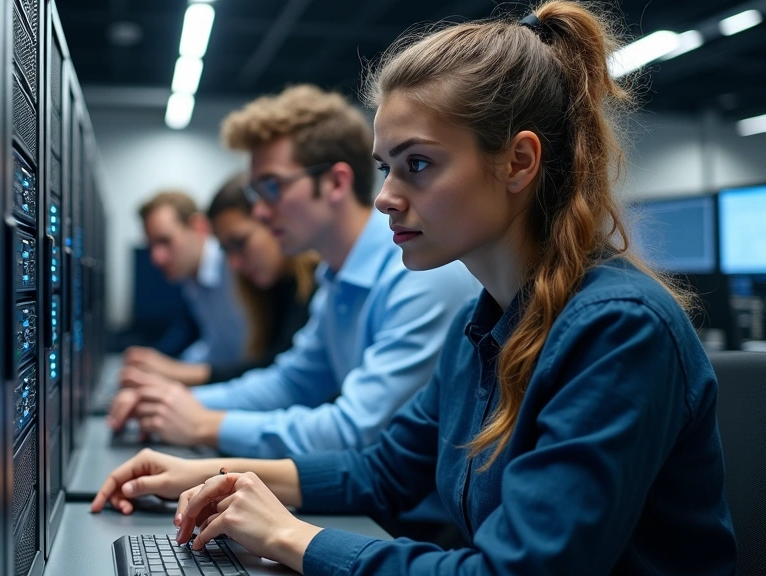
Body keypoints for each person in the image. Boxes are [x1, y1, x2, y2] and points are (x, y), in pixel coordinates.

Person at [91, 3, 737, 574]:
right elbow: (379, 471)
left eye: (418, 165)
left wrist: (289, 536)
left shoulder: (616, 330)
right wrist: (208, 476)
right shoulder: (484, 327)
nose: (387, 199)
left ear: (518, 162)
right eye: (386, 168)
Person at [108, 84, 480, 458]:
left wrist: (204, 424)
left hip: (416, 515)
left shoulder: (417, 271)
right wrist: (175, 401)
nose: (261, 212)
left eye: (272, 187)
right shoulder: (335, 279)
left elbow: (358, 431)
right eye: (256, 194)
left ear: (336, 183)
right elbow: (290, 383)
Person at [124, 173, 321, 386]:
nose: (234, 264)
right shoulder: (265, 285)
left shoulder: (311, 282)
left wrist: (183, 380)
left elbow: (276, 376)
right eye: (226, 248)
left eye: (239, 242)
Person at [134, 190, 248, 365]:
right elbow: (218, 347)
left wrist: (172, 371)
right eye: (151, 246)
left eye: (165, 241)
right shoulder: (191, 280)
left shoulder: (234, 264)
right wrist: (167, 368)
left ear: (198, 227)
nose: (156, 258)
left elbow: (250, 357)